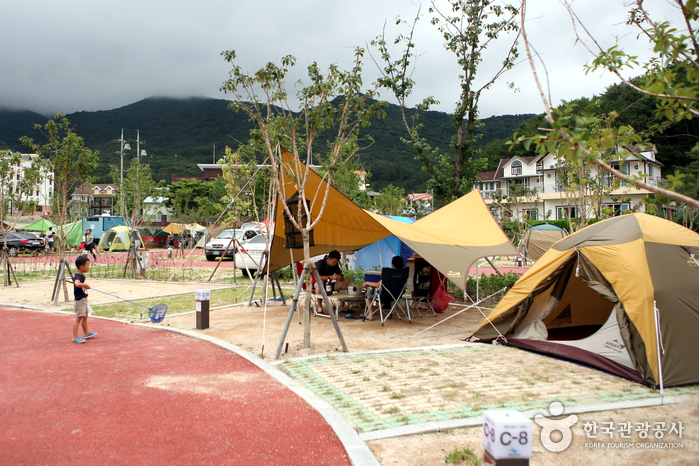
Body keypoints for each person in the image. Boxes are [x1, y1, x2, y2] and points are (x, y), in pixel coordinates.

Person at [362, 255, 404, 321]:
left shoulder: (389, 273)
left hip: (384, 295)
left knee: (366, 294)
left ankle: (370, 315)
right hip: (397, 295)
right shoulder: (403, 274)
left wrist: (366, 283)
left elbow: (378, 285)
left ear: (392, 265)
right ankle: (373, 308)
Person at [72, 255, 97, 344]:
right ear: (82, 267)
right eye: (87, 265)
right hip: (79, 301)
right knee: (78, 318)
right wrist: (85, 285)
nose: (88, 267)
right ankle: (75, 337)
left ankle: (86, 333)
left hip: (83, 299)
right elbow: (77, 284)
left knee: (85, 317)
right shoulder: (78, 276)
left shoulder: (82, 276)